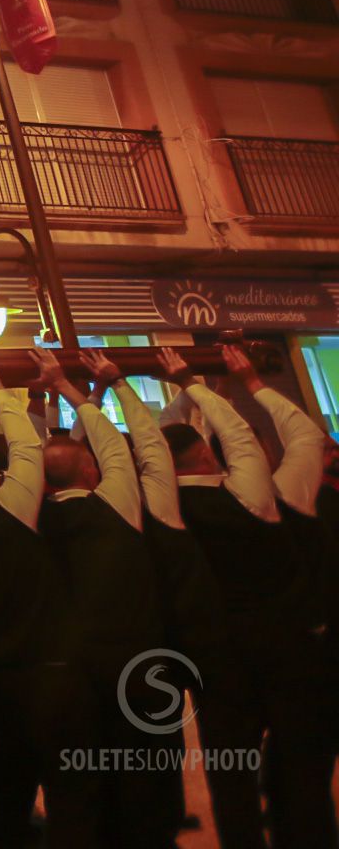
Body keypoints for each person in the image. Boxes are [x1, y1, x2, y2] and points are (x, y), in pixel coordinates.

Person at [158, 347, 337, 849]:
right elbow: (304, 436)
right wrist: (248, 382)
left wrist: (191, 391)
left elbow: (173, 446)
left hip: (217, 660)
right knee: (302, 769)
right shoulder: (278, 494)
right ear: (212, 454)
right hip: (293, 651)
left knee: (230, 773)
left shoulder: (163, 510)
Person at [96, 349, 265, 848]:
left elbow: (155, 443)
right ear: (209, 455)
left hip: (160, 638)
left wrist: (104, 391)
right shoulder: (247, 500)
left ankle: (162, 822)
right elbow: (208, 439)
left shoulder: (150, 503)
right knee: (229, 746)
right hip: (222, 640)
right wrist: (193, 385)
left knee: (155, 741)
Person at [0, 352, 101, 849]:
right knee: (72, 791)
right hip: (46, 667)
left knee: (6, 787)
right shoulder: (8, 513)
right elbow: (28, 446)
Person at [30, 350, 171, 849]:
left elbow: (86, 451)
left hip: (69, 672)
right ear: (89, 470)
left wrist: (73, 394)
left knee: (82, 779)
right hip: (135, 665)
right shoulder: (115, 507)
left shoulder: (29, 521)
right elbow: (115, 445)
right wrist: (77, 389)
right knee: (142, 776)